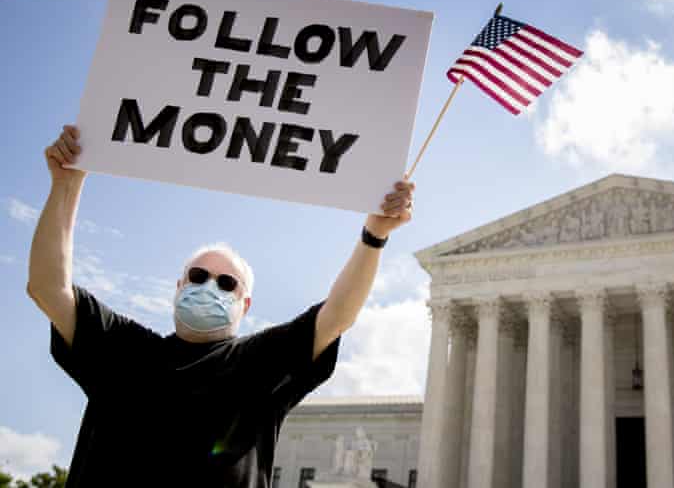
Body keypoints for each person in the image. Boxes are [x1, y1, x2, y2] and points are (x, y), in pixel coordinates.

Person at [26, 125, 416, 487]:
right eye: (198, 277)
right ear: (178, 286)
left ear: (244, 304)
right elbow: (47, 287)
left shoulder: (259, 363)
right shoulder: (123, 349)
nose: (208, 286)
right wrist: (67, 184)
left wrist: (374, 236)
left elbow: (337, 316)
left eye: (226, 283)